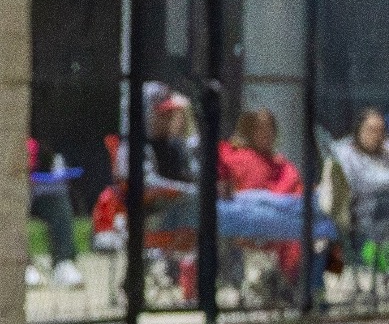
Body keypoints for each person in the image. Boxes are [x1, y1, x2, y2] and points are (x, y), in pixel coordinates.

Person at [217, 108, 339, 291]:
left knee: (330, 228)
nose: (267, 135)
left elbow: (297, 185)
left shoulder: (279, 161)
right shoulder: (239, 158)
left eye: (271, 129)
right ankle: (308, 290)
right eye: (260, 129)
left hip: (292, 214)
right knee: (315, 228)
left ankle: (318, 288)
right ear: (248, 130)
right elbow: (252, 199)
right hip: (261, 222)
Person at [115, 82, 199, 232]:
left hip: (179, 208)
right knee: (197, 198)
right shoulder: (132, 146)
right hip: (152, 213)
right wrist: (185, 190)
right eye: (162, 114)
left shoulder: (174, 145)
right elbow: (145, 183)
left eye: (170, 114)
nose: (169, 119)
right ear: (145, 114)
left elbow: (195, 173)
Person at [27, 137, 85, 288]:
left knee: (57, 196)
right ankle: (20, 264)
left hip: (35, 192)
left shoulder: (35, 147)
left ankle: (63, 262)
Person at [330, 109, 389, 250]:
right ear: (359, 130)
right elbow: (366, 182)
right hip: (364, 217)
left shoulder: (384, 150)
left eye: (380, 131)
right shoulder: (346, 154)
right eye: (371, 130)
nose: (376, 136)